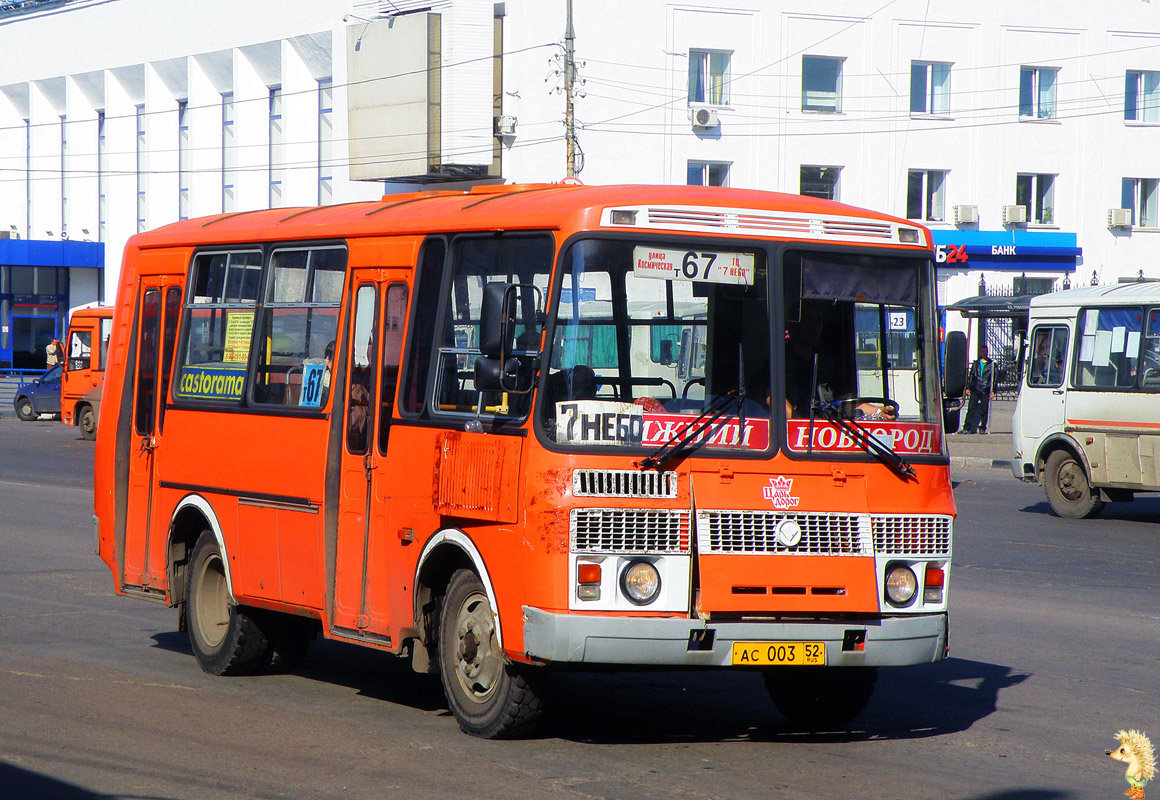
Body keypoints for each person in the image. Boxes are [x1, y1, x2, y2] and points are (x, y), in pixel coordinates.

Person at [962, 345, 995, 434]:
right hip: (976, 388)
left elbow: (994, 378)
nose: (984, 353)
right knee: (971, 408)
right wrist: (968, 387)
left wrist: (993, 390)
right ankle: (967, 427)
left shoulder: (991, 364)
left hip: (985, 389)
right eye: (982, 351)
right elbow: (971, 376)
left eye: (985, 351)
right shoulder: (976, 364)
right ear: (980, 352)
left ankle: (982, 427)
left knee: (984, 409)